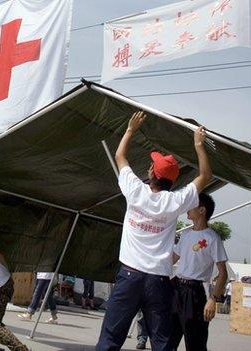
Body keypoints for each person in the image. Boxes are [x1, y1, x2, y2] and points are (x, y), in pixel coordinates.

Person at [96, 111, 212, 351]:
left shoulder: (135, 191)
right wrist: (198, 144)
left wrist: (130, 129)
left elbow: (120, 156)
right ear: (172, 180)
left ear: (151, 173)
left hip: (129, 277)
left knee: (110, 339)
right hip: (159, 281)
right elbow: (205, 176)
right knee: (162, 344)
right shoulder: (176, 201)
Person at [169, 193, 228, 350]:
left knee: (195, 343)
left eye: (192, 205)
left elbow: (223, 273)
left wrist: (212, 299)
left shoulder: (212, 238)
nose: (187, 209)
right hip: (176, 289)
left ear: (202, 210)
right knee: (166, 339)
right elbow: (171, 260)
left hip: (195, 293)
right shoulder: (186, 234)